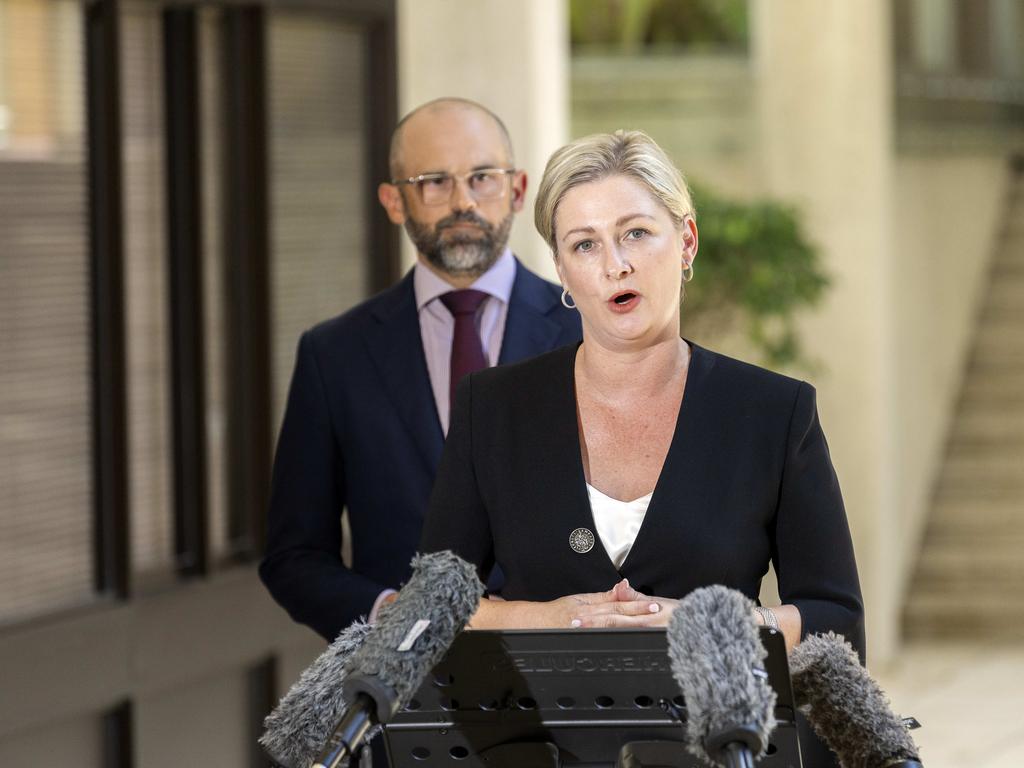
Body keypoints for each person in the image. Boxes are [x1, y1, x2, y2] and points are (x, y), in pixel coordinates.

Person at [419, 129, 864, 660]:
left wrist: (719, 624)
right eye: (585, 244)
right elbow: (429, 609)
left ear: (687, 241)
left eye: (635, 233)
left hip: (718, 736)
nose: (615, 265)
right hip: (528, 736)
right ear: (562, 270)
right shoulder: (490, 408)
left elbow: (836, 619)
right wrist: (555, 619)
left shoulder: (775, 412)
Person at [259, 98, 582, 642]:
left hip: (573, 677)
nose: (462, 202)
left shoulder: (588, 334)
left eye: (482, 178)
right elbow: (293, 556)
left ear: (518, 190)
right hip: (406, 695)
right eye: (434, 181)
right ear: (393, 201)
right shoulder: (334, 355)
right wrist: (393, 613)